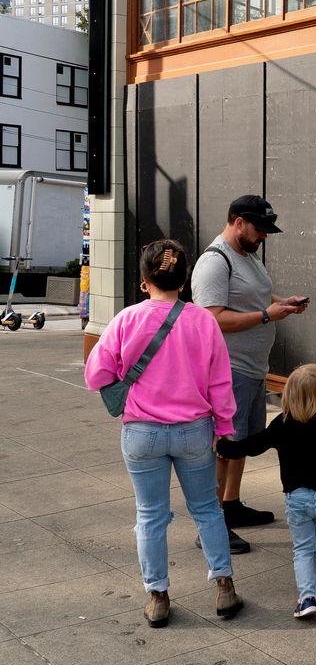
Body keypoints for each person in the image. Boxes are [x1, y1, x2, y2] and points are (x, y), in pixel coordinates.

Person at [84, 239, 244, 628]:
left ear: (144, 282)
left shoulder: (126, 319)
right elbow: (220, 382)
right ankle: (224, 587)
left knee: (150, 515)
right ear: (184, 280)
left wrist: (127, 376)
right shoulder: (203, 321)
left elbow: (95, 376)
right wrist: (224, 427)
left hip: (142, 433)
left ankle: (158, 596)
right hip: (194, 431)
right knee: (207, 509)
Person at [191, 194, 309, 553]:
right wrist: (266, 316)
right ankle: (211, 526)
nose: (264, 236)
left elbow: (256, 294)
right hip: (228, 370)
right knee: (224, 446)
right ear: (238, 222)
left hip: (252, 369)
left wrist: (281, 302)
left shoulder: (247, 254)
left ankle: (231, 504)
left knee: (241, 442)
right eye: (260, 228)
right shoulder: (215, 262)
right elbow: (211, 319)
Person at [217, 364, 316, 618]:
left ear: (289, 395)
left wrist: (224, 447)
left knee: (303, 548)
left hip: (297, 498)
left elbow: (253, 445)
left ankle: (307, 597)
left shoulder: (283, 424)